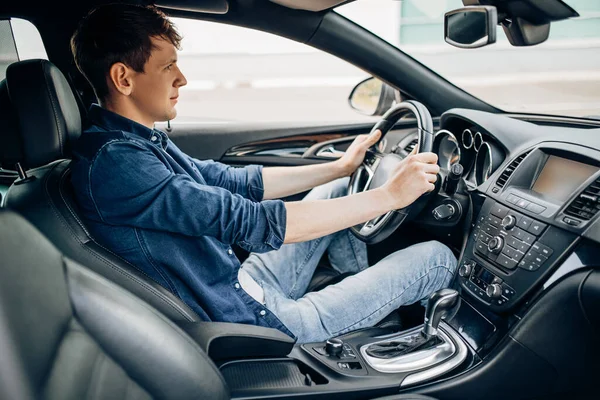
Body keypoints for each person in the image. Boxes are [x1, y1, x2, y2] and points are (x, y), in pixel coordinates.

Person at [69, 3, 456, 343]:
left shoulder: (130, 141)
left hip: (239, 283)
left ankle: (367, 297)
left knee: (337, 187)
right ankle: (388, 320)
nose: (181, 78)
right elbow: (250, 220)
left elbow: (234, 182)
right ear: (123, 78)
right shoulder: (118, 165)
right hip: (251, 322)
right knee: (435, 257)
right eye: (168, 65)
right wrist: (389, 196)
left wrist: (341, 166)